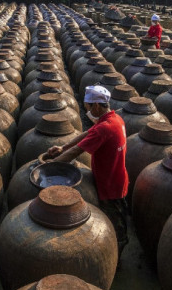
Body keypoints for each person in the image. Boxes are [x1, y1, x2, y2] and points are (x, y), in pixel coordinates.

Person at [47, 85, 129, 258]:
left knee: (115, 224)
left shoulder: (104, 128)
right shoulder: (114, 119)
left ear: (97, 106)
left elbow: (77, 151)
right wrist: (62, 147)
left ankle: (115, 258)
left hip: (111, 184)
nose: (87, 111)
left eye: (88, 107)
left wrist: (50, 166)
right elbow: (86, 134)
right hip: (113, 177)